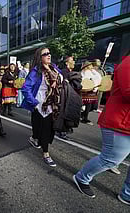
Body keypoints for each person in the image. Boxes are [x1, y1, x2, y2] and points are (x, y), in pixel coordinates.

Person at [73, 54, 130, 205]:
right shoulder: (127, 63)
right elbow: (128, 92)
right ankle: (81, 177)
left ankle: (127, 194)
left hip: (125, 122)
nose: (94, 66)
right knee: (110, 159)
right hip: (120, 122)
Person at [21, 47, 63, 167]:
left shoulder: (54, 68)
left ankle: (36, 138)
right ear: (40, 57)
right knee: (45, 129)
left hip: (53, 103)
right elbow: (26, 88)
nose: (48, 55)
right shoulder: (36, 71)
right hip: (41, 105)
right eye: (45, 54)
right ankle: (46, 153)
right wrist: (34, 102)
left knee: (50, 129)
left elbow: (62, 81)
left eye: (49, 53)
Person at [80, 61, 102, 125]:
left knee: (91, 105)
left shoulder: (91, 71)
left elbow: (98, 77)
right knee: (88, 104)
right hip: (88, 89)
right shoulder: (86, 72)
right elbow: (87, 80)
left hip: (91, 89)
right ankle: (84, 118)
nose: (92, 66)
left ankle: (82, 115)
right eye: (90, 65)